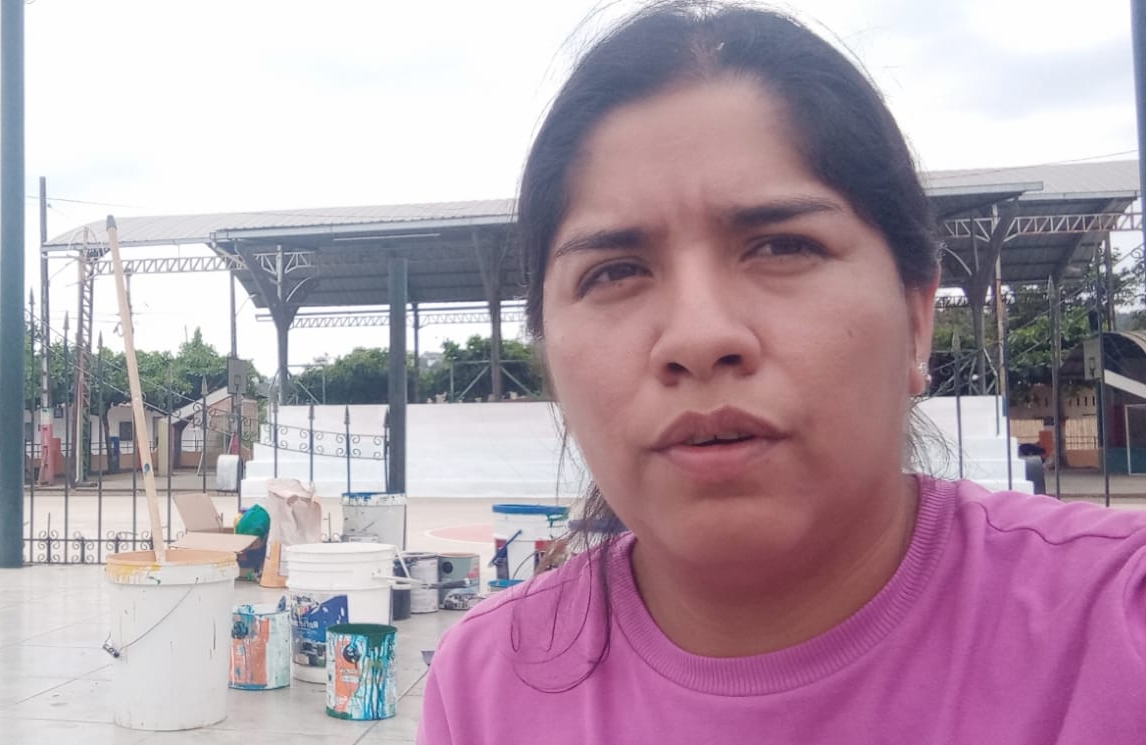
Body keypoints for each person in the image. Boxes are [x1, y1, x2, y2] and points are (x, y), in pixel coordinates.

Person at [419, 3, 1146, 743]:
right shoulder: (485, 686)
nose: (699, 337)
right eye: (614, 271)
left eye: (782, 247)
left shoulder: (1118, 627)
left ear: (917, 316)